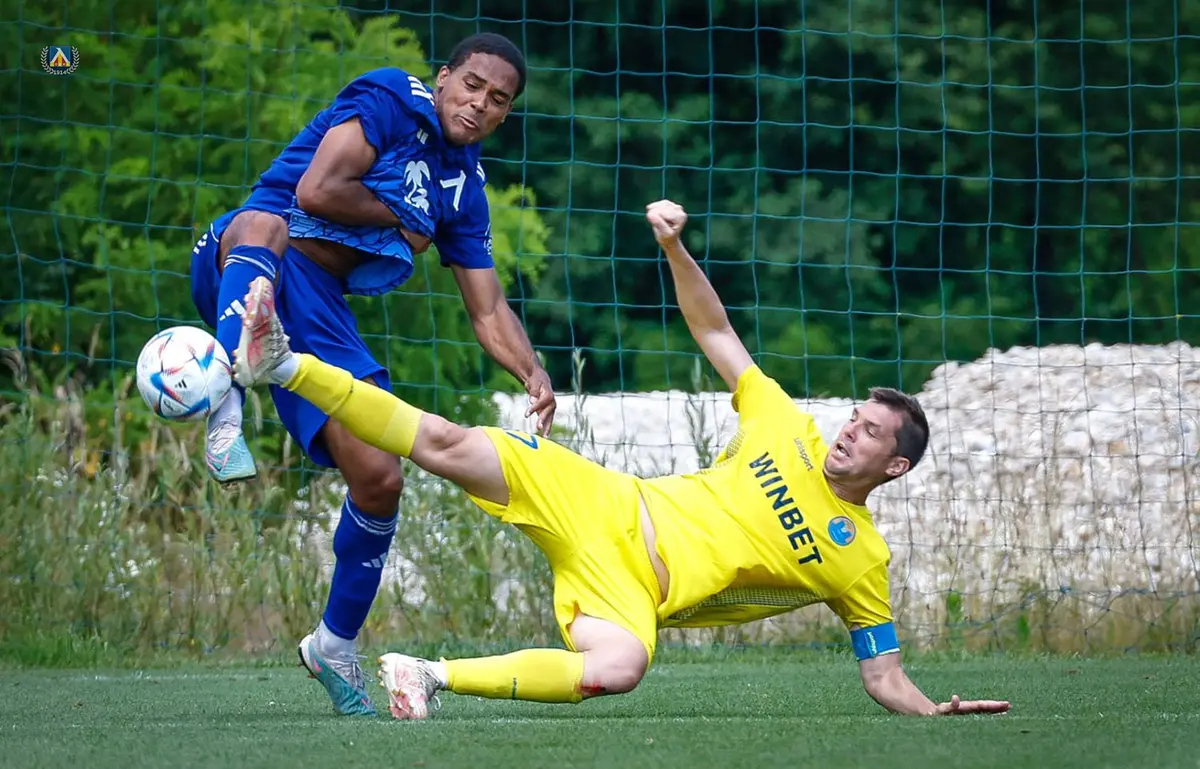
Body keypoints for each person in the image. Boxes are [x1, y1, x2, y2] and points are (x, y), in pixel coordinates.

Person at [233, 200, 1011, 719]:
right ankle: (284, 363)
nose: (849, 432)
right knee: (441, 442)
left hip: (630, 587)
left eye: (870, 434)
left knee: (621, 667)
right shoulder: (785, 424)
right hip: (602, 499)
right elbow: (716, 332)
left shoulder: (859, 559)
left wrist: (931, 711)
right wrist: (673, 246)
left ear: (894, 467)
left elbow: (882, 672)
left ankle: (428, 674)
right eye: (856, 418)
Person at [189, 33, 556, 717]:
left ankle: (333, 644)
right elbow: (316, 189)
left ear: (507, 113)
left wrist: (532, 370)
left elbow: (487, 307)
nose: (479, 104)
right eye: (472, 85)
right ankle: (224, 406)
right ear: (443, 78)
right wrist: (401, 214)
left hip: (319, 308)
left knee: (382, 476)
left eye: (498, 99)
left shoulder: (463, 188)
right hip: (250, 256)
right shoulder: (392, 95)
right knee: (264, 221)